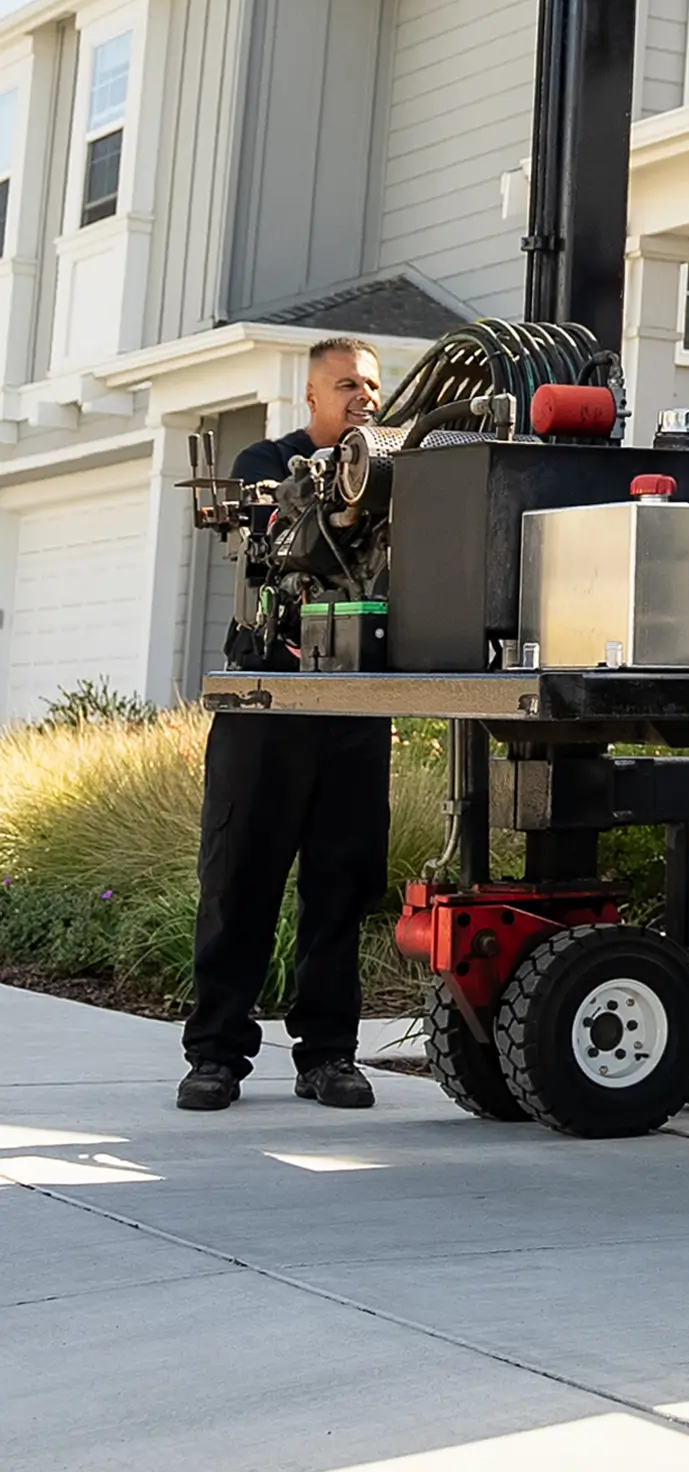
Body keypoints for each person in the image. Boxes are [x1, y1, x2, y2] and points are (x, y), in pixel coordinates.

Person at [178, 338, 394, 1112]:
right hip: (269, 691)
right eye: (345, 385)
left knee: (342, 882)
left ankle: (329, 1056)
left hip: (354, 699)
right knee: (240, 876)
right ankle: (216, 1056)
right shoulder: (265, 459)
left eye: (371, 383)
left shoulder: (396, 468)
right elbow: (275, 526)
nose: (361, 396)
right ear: (311, 396)